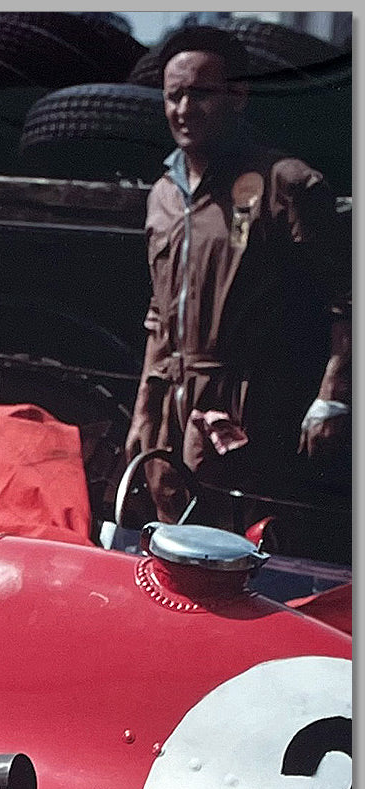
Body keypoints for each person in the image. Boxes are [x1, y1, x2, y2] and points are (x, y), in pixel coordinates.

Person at [125, 25, 351, 528]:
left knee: (242, 543)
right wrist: (144, 410)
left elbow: (346, 298)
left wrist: (332, 398)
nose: (184, 110)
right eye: (173, 96)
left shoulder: (286, 184)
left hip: (251, 404)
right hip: (173, 401)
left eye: (200, 94)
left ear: (238, 95)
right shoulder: (163, 195)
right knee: (168, 535)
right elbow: (159, 315)